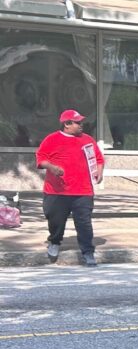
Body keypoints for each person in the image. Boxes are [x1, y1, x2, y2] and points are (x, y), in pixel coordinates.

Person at [35, 109, 104, 267]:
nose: (81, 125)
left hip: (83, 190)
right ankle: (55, 241)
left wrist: (99, 172)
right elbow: (41, 159)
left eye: (81, 122)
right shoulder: (52, 139)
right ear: (67, 124)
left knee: (84, 223)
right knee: (55, 220)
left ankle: (88, 252)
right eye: (77, 122)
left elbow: (99, 159)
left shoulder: (88, 140)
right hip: (57, 191)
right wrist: (52, 168)